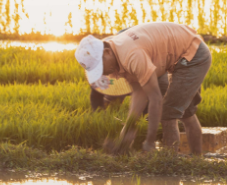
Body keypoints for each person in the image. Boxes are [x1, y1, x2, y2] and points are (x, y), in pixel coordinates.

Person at [75, 22, 211, 155]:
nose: (102, 73)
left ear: (106, 52)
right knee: (184, 111)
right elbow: (139, 93)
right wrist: (126, 133)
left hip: (192, 55)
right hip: (174, 52)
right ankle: (196, 159)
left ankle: (170, 164)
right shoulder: (118, 53)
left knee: (168, 112)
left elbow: (155, 98)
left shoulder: (132, 56)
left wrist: (150, 141)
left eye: (100, 66)